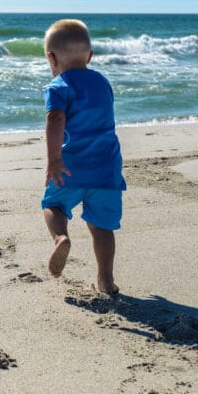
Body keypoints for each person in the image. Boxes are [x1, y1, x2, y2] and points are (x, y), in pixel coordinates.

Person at [41, 19, 126, 295]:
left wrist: (54, 160)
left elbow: (56, 118)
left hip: (71, 166)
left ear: (50, 57)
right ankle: (106, 280)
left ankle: (61, 237)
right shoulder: (102, 82)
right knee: (101, 227)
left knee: (54, 206)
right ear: (90, 56)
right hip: (106, 168)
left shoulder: (58, 86)